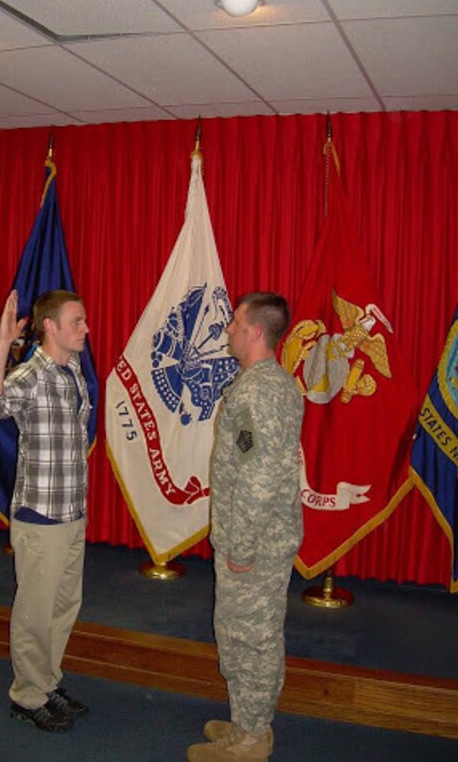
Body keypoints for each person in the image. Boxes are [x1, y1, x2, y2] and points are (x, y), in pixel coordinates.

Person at [187, 292, 304, 762]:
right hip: (253, 536)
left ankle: (255, 739)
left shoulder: (259, 391)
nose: (229, 329)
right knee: (236, 629)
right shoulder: (262, 383)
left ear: (256, 332)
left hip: (256, 541)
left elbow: (258, 477)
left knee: (253, 636)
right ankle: (245, 721)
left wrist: (242, 545)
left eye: (235, 322)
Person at [0, 288, 92, 732]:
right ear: (50, 326)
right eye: (77, 322)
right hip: (40, 517)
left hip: (72, 511)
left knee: (63, 605)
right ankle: (26, 695)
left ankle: (45, 680)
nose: (85, 329)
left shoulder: (72, 370)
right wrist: (3, 342)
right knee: (35, 611)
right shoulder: (32, 375)